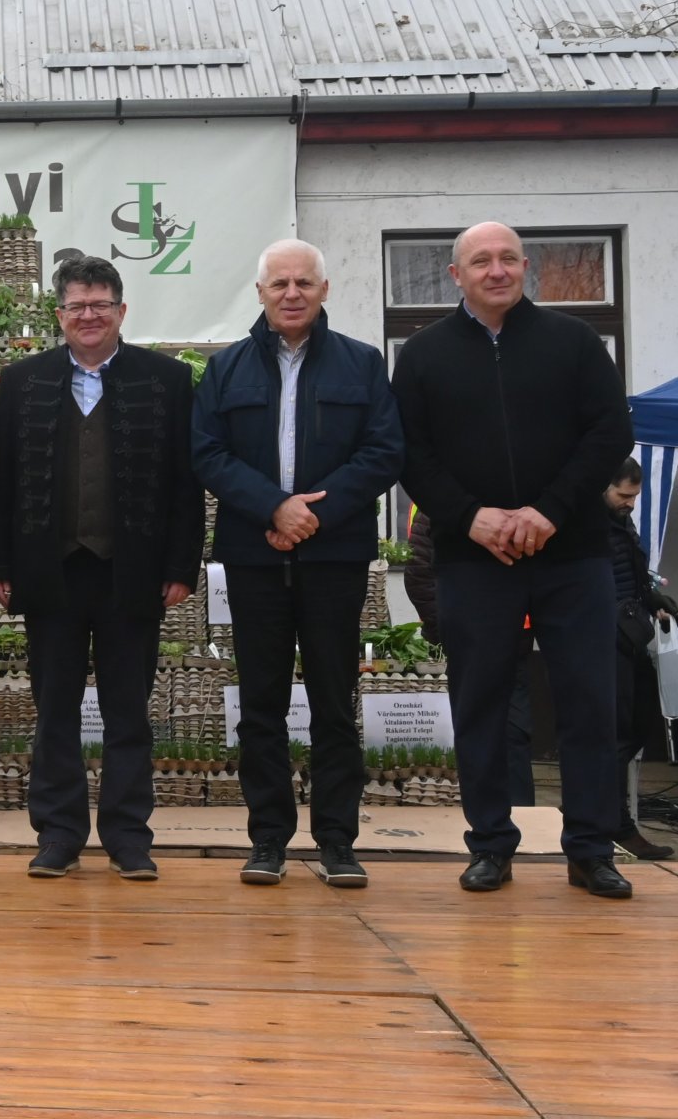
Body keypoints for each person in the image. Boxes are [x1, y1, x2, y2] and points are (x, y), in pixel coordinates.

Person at [393, 221, 635, 898]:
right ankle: (491, 845)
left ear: (526, 267)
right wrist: (472, 517)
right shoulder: (423, 354)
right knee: (482, 704)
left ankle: (591, 848)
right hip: (473, 559)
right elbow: (411, 453)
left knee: (590, 702)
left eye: (507, 259)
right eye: (480, 261)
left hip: (573, 552)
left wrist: (547, 511)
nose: (495, 271)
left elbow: (609, 431)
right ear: (456, 276)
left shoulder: (575, 343)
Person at [191, 238, 404, 888]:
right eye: (278, 283)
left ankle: (338, 840)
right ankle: (268, 840)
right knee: (260, 703)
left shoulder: (361, 365)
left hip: (334, 557)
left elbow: (384, 451)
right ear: (259, 293)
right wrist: (274, 509)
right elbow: (206, 453)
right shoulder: (226, 369)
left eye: (303, 283)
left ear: (324, 290)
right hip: (254, 558)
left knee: (336, 702)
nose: (291, 293)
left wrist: (315, 513)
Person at [0, 254, 204, 881]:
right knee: (54, 708)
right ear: (59, 314)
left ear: (121, 311)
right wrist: (0, 562)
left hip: (131, 572)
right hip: (49, 570)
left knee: (129, 710)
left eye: (100, 305)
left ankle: (128, 837)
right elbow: (1, 482)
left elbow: (185, 484)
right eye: (77, 306)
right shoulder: (24, 380)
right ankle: (58, 833)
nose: (89, 316)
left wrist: (181, 566)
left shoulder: (165, 379)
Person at [406, 507, 537, 805]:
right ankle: (482, 815)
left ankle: (523, 817)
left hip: (516, 640)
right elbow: (419, 575)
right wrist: (451, 631)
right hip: (467, 640)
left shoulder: (517, 499)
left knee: (515, 733)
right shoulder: (437, 501)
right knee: (476, 728)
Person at [603, 457, 676, 860]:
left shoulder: (620, 523)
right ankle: (612, 821)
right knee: (616, 733)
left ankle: (607, 817)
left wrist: (651, 600)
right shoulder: (593, 526)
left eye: (634, 496)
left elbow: (630, 572)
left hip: (628, 635)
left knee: (636, 727)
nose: (630, 502)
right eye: (624, 494)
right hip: (607, 640)